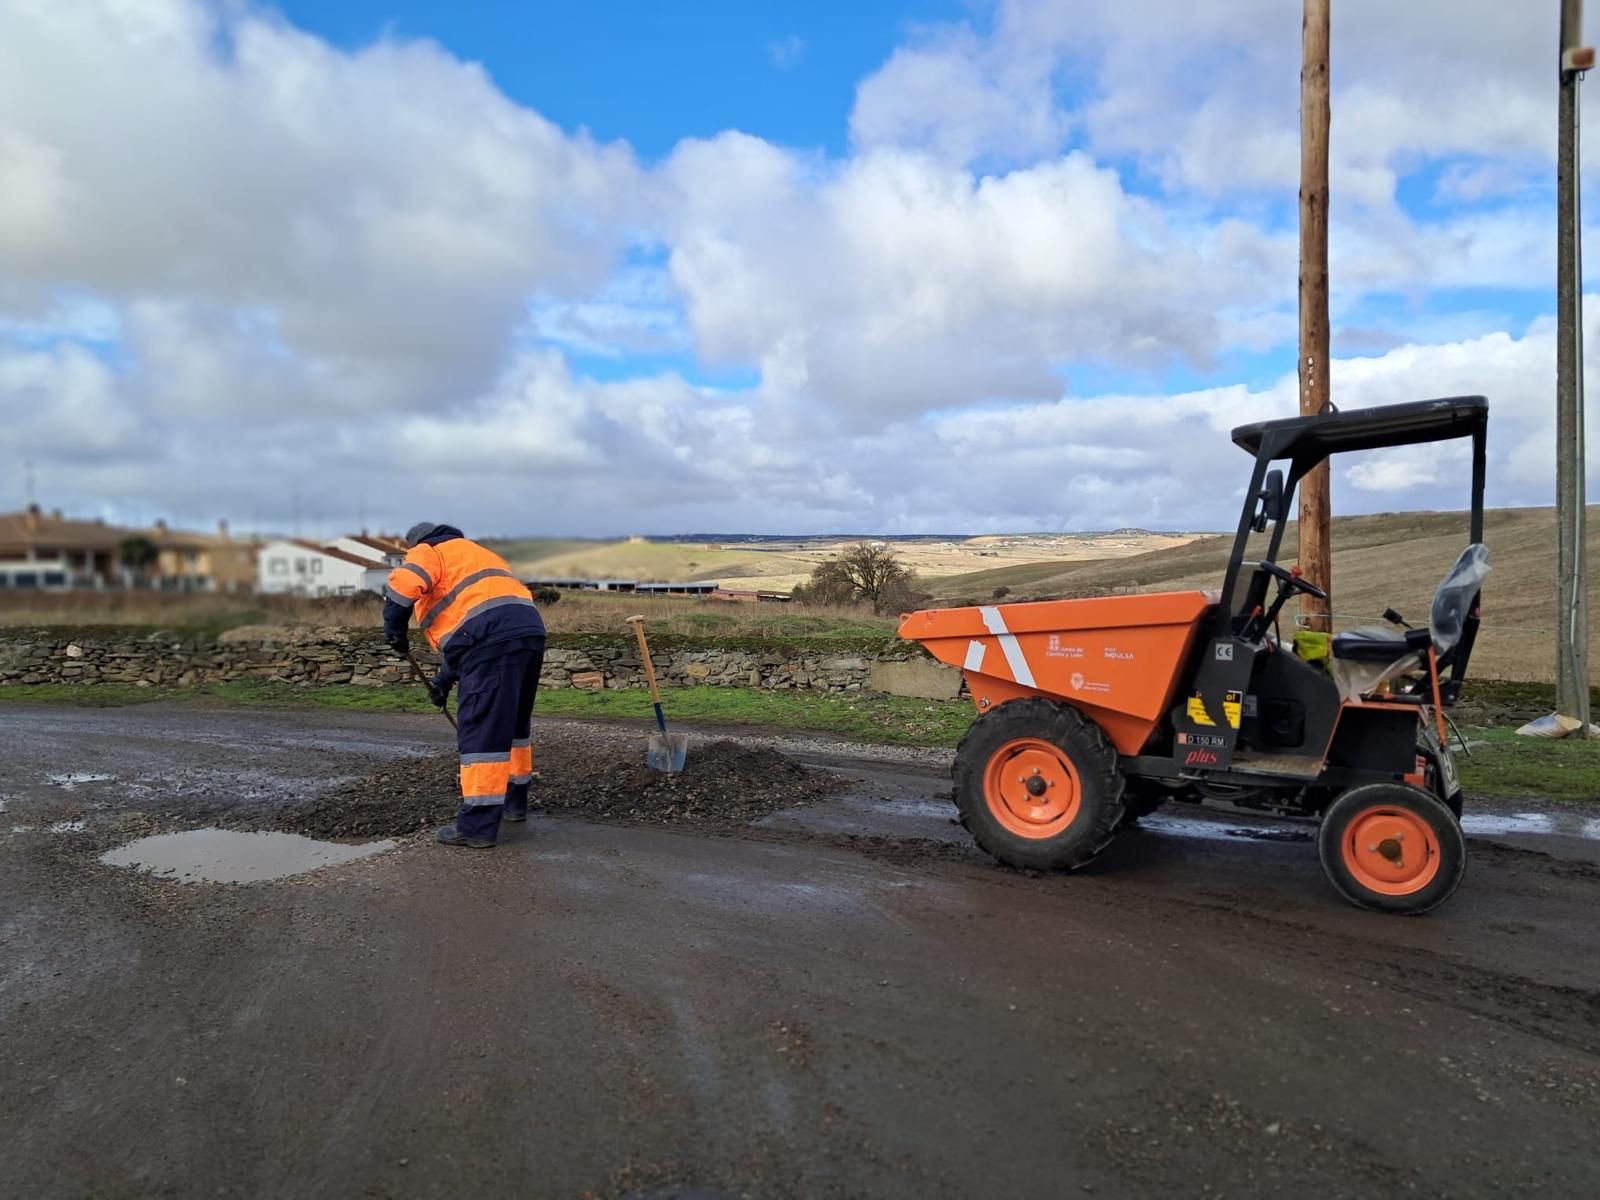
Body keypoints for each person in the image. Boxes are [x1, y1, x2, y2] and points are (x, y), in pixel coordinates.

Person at [382, 522, 546, 849]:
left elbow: (403, 588)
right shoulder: (479, 554)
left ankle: (477, 827)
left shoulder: (428, 551)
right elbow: (471, 631)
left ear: (415, 543)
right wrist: (443, 681)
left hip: (490, 640)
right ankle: (514, 805)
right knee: (513, 725)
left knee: (482, 730)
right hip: (528, 633)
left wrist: (394, 629)